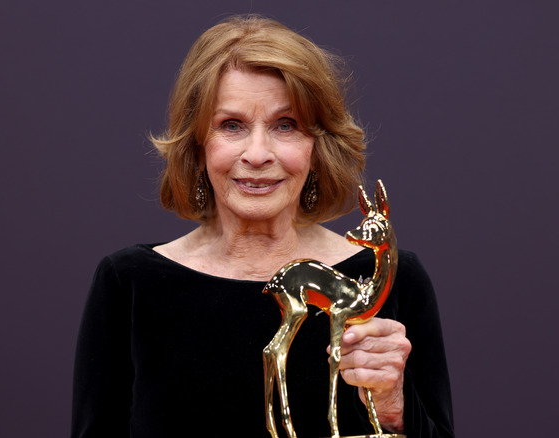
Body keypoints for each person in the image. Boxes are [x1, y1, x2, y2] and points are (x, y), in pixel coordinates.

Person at [71, 14, 454, 438]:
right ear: (198, 143)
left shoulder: (395, 280)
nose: (257, 153)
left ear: (317, 145)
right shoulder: (130, 284)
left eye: (285, 125)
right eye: (231, 125)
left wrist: (395, 406)